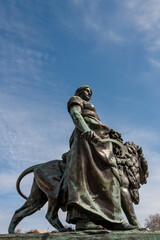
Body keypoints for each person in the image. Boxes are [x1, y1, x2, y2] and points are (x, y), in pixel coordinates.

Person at [64, 85, 133, 230]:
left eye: (90, 92)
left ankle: (113, 219)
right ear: (78, 92)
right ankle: (83, 219)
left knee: (110, 176)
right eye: (86, 90)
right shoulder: (76, 99)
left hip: (100, 143)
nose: (88, 93)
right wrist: (87, 130)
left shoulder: (92, 110)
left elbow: (96, 123)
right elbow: (76, 115)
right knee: (85, 176)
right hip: (86, 141)